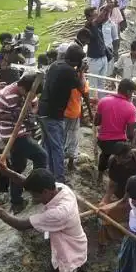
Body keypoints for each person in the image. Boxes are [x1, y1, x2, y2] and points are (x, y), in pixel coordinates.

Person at [0, 72, 47, 213]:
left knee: (18, 166)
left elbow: (34, 105)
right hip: (12, 135)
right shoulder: (5, 95)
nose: (32, 97)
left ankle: (16, 199)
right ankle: (37, 189)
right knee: (41, 156)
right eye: (30, 94)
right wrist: (11, 115)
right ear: (22, 88)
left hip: (24, 130)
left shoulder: (30, 92)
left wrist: (30, 112)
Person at [39, 43, 85, 181]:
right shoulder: (69, 71)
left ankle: (48, 174)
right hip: (54, 114)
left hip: (43, 110)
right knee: (58, 147)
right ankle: (59, 179)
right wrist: (81, 71)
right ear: (77, 61)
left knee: (48, 145)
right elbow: (82, 87)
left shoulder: (56, 65)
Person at [95, 79, 136, 186]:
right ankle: (116, 181)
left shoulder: (103, 101)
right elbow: (130, 134)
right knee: (123, 157)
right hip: (119, 141)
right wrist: (132, 143)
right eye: (132, 92)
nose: (132, 95)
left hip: (103, 141)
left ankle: (99, 177)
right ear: (128, 92)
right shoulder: (131, 108)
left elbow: (96, 122)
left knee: (104, 155)